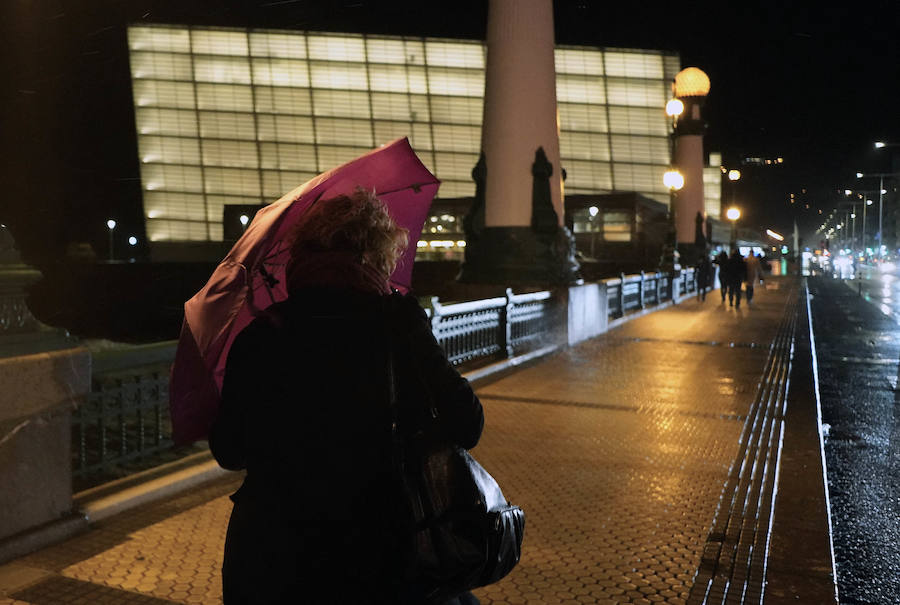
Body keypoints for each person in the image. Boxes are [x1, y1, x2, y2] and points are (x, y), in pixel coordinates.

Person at [210, 189, 485, 604]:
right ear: (377, 253)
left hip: (274, 557)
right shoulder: (398, 326)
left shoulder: (262, 335)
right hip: (380, 552)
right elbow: (468, 424)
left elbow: (229, 451)